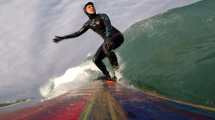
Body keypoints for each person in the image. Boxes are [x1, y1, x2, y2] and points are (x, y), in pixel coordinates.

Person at [53, 2, 124, 80]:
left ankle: (117, 72)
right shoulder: (88, 24)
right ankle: (108, 76)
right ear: (86, 11)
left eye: (92, 6)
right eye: (89, 7)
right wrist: (63, 37)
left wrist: (107, 37)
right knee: (96, 59)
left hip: (116, 36)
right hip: (108, 40)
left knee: (106, 47)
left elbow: (108, 26)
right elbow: (77, 33)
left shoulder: (102, 16)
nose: (92, 7)